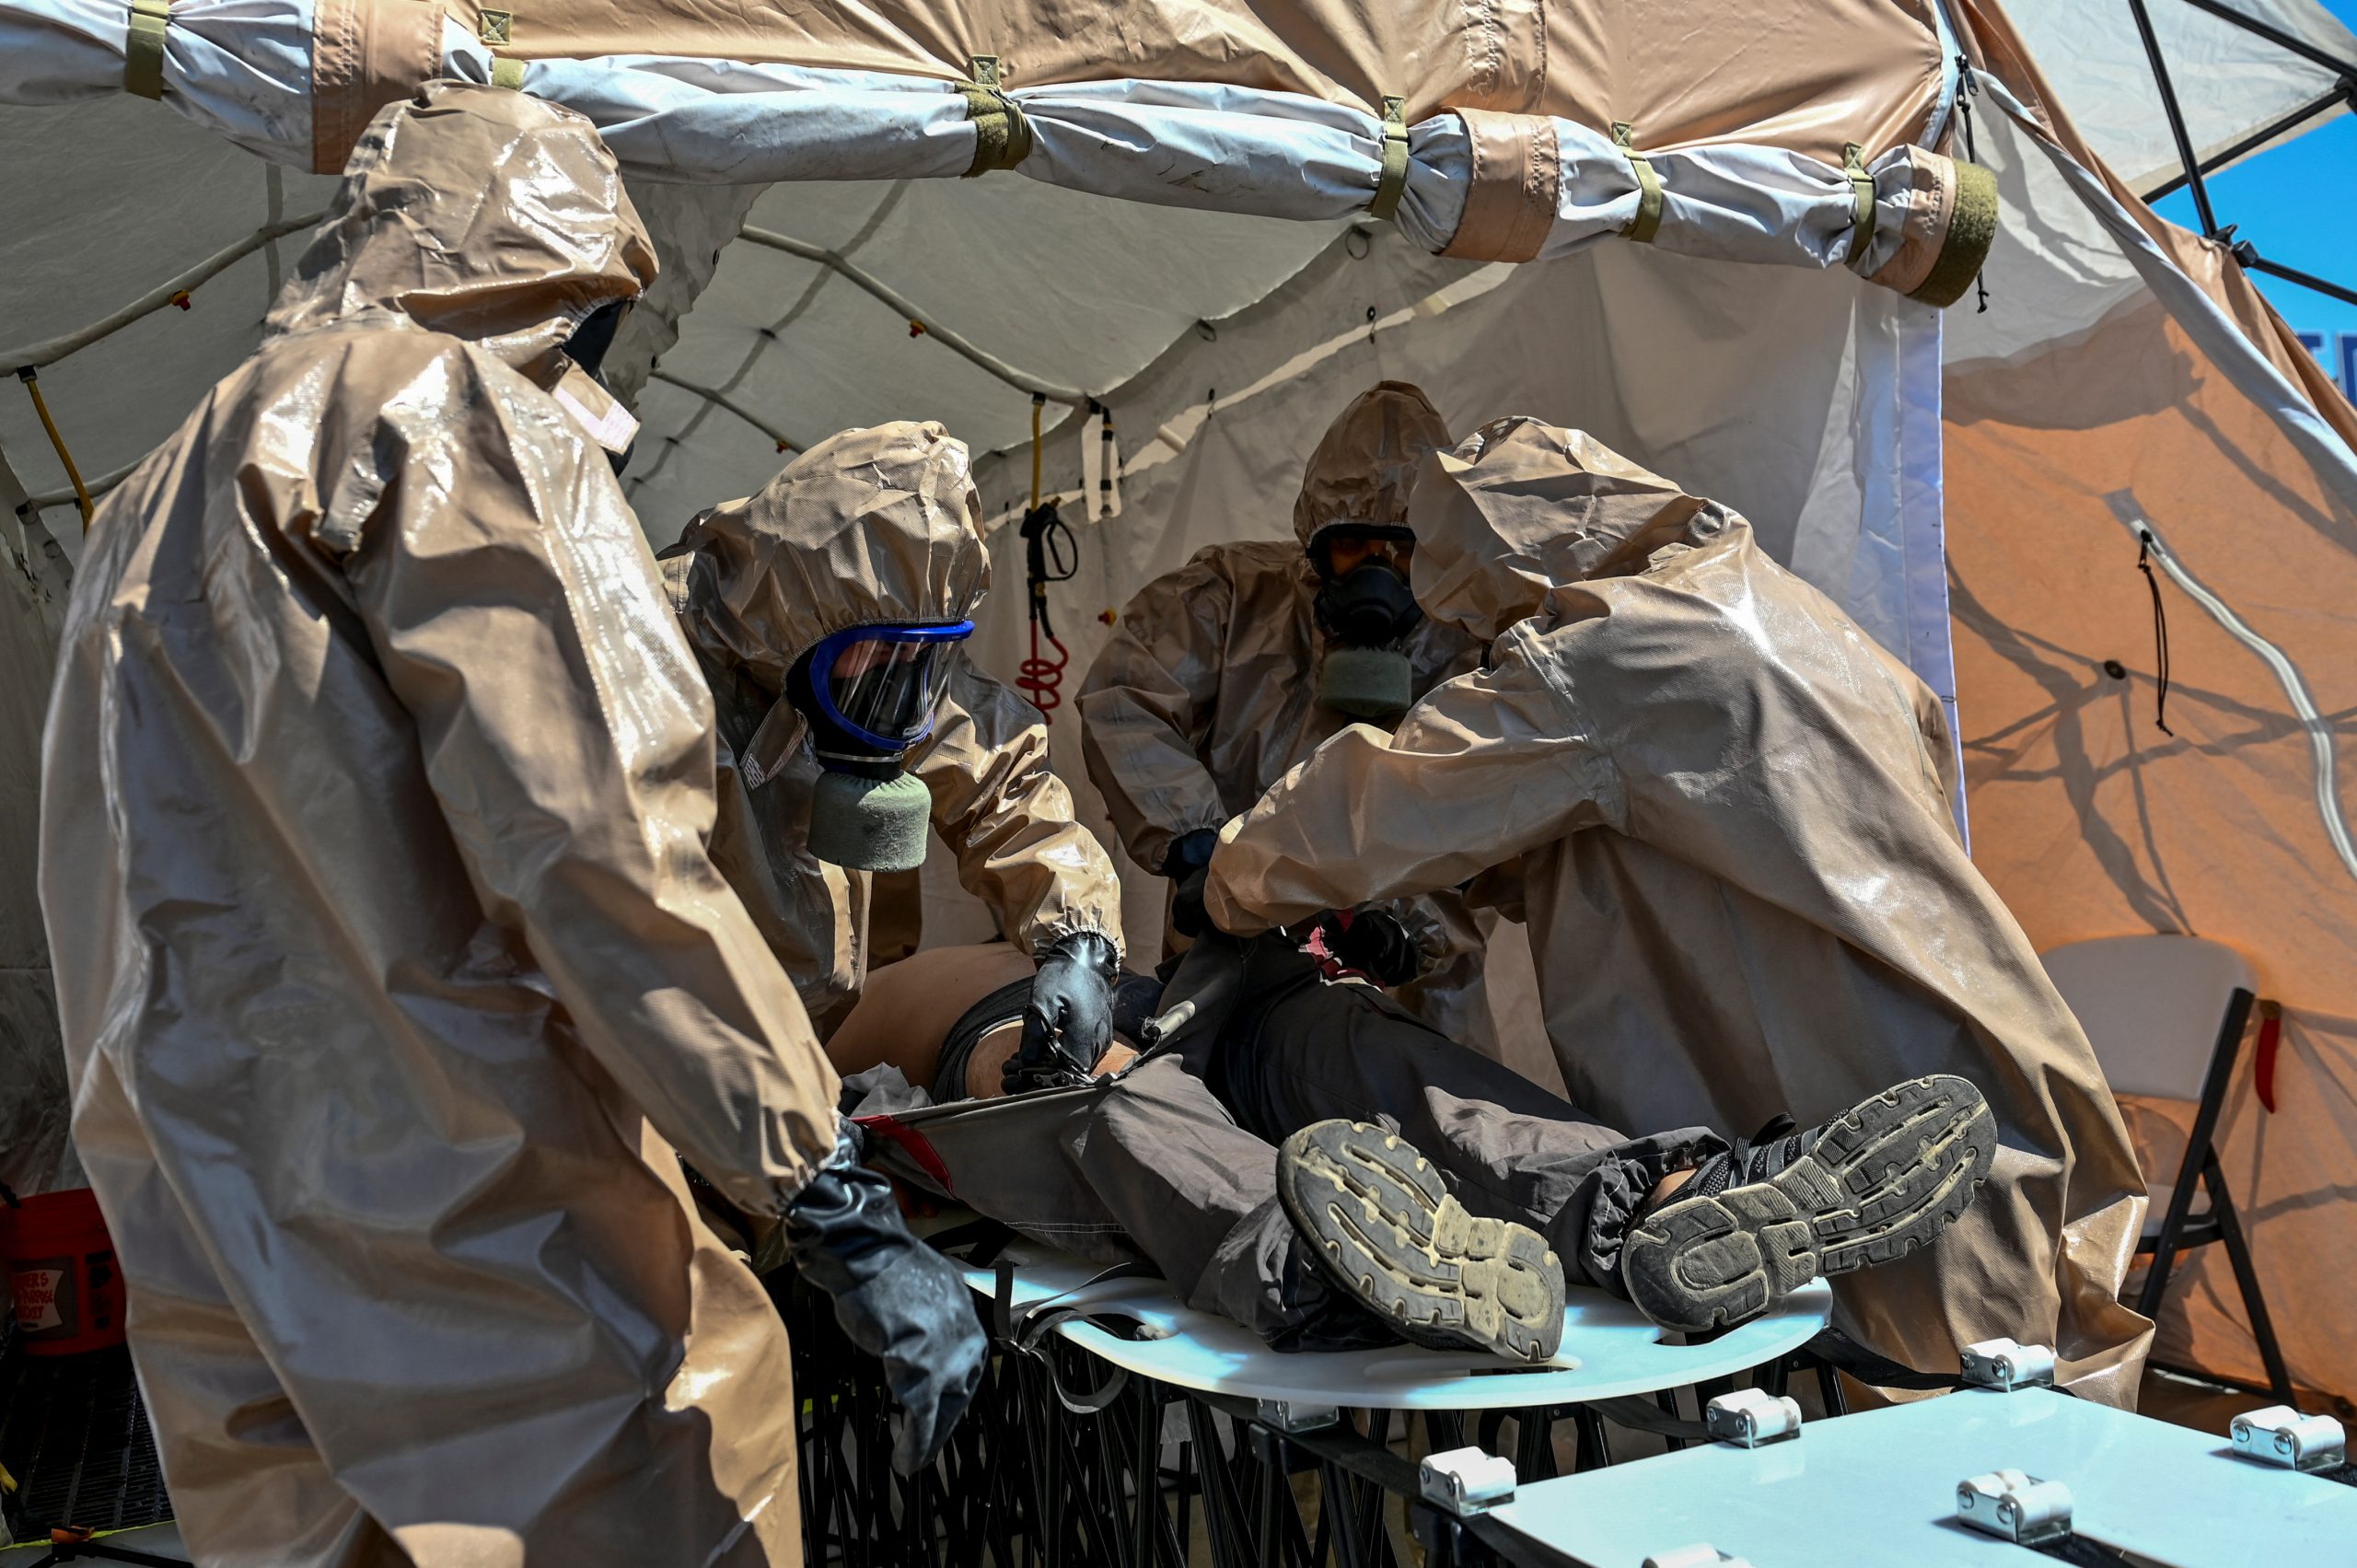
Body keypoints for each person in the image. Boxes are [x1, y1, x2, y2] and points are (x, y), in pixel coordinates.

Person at [38, 86, 979, 1568]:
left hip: (216, 1217)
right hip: (485, 1210)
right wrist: (816, 1175)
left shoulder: (144, 504)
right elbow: (597, 840)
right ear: (553, 275)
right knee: (673, 1477)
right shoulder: (444, 404)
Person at [1202, 417, 2154, 1400]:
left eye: (1478, 610)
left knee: (1883, 1411)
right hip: (1996, 1060)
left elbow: (1377, 805)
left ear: (1506, 564)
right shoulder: (1802, 616)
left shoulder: (1598, 655)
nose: (1481, 642)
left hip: (1845, 1086)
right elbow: (1732, 823)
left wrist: (1226, 877)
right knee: (2019, 1422)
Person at [831, 931, 1998, 1360]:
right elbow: (816, 1114)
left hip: (1185, 998)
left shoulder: (980, 781)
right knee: (1095, 1097)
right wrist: (1031, 1046)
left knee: (1347, 1036)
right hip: (1021, 1066)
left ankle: (1657, 1201)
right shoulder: (794, 1014)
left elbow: (1057, 868)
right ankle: (1326, 1257)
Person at [660, 423, 1126, 1077]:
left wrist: (1080, 940)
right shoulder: (641, 657)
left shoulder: (885, 643)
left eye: (928, 652)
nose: (903, 681)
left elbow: (1004, 783)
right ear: (798, 611)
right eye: (886, 648)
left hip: (797, 1056)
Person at [1077, 382, 1498, 1047]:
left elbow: (1489, 816)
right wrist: (1198, 847)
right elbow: (1124, 697)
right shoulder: (1238, 598)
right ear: (1317, 539)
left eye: (1404, 547)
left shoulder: (1471, 641)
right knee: (1223, 1114)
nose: (1379, 572)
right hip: (1232, 951)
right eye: (1356, 543)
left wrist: (1413, 929)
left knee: (1427, 1117)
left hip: (1412, 994)